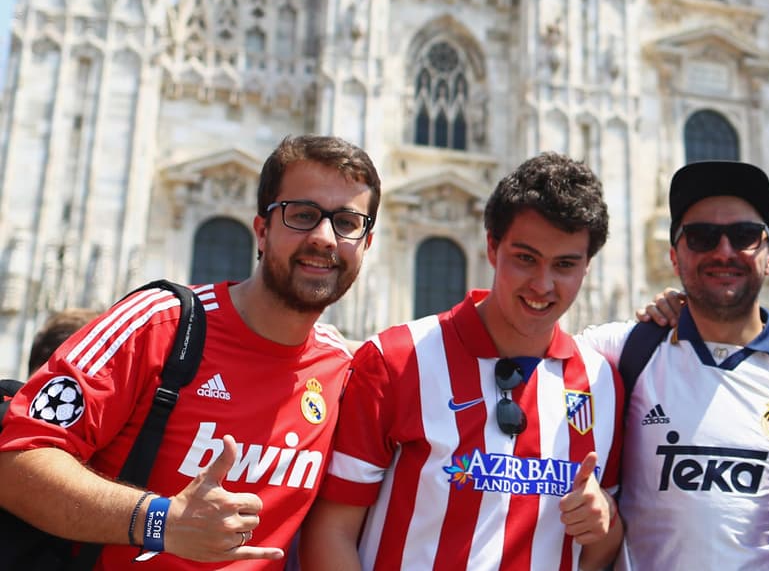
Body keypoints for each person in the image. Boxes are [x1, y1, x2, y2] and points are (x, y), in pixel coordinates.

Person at [0, 134, 380, 568]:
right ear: (262, 230)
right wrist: (159, 521)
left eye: (347, 222)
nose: (324, 237)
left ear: (366, 244)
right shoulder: (157, 324)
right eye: (303, 215)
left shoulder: (344, 369)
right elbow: (13, 459)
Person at [300, 152, 622, 571]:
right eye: (525, 258)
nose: (542, 285)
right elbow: (330, 532)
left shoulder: (601, 382)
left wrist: (606, 520)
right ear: (492, 247)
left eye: (564, 265)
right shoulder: (396, 360)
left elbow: (597, 550)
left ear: (587, 267)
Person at [579, 160, 769, 570]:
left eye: (745, 235)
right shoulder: (626, 350)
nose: (724, 251)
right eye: (701, 237)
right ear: (674, 257)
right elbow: (528, 346)